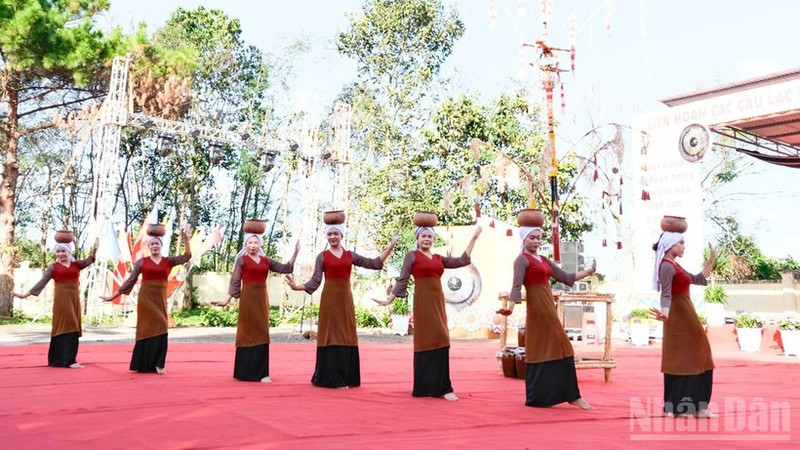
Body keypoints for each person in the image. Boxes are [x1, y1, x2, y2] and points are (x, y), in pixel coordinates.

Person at [377, 224, 482, 401]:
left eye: (430, 237)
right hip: (423, 302)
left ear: (433, 240)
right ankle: (424, 387)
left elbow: (462, 261)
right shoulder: (412, 256)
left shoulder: (439, 258)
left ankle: (443, 387)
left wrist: (474, 238)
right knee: (425, 340)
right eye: (423, 236)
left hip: (438, 302)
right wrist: (389, 299)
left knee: (441, 337)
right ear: (418, 239)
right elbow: (402, 279)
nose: (426, 239)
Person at [285, 223, 396, 388]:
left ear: (342, 235)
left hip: (345, 300)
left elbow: (373, 263)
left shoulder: (350, 255)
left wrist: (389, 248)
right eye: (329, 234)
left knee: (346, 333)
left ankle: (347, 377)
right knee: (331, 333)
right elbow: (315, 281)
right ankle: (332, 378)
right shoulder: (322, 256)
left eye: (335, 234)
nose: (332, 237)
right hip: (329, 300)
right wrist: (297, 286)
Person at [499, 226, 595, 410]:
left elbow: (565, 277)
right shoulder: (521, 260)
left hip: (548, 307)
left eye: (538, 238)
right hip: (537, 310)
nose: (536, 241)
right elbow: (516, 286)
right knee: (546, 348)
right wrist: (510, 308)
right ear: (524, 239)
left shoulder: (543, 259)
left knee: (561, 348)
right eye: (532, 238)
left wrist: (589, 272)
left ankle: (570, 395)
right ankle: (543, 396)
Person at [101, 225, 192, 374]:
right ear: (148, 246)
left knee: (162, 326)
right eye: (152, 244)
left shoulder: (168, 261)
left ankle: (159, 364)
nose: (154, 246)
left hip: (160, 299)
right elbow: (130, 281)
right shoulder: (142, 262)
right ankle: (142, 363)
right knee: (145, 329)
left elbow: (186, 257)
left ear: (161, 246)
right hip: (146, 299)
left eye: (157, 243)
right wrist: (113, 296)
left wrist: (187, 240)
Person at [213, 235, 299, 383]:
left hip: (261, 299)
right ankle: (244, 372)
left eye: (255, 242)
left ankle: (262, 373)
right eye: (250, 243)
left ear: (260, 244)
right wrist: (226, 300)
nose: (253, 245)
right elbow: (235, 281)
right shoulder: (242, 260)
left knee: (262, 330)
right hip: (247, 298)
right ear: (246, 245)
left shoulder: (266, 261)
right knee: (247, 330)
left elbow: (286, 268)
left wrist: (295, 253)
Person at [649, 232, 717, 418]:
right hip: (678, 315)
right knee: (679, 359)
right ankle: (674, 407)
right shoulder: (667, 266)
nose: (684, 246)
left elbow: (698, 278)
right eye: (681, 243)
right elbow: (666, 293)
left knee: (701, 356)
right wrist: (665, 312)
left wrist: (711, 258)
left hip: (686, 313)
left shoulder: (675, 265)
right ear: (671, 245)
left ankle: (698, 407)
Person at [14, 239, 98, 368]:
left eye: (63, 251)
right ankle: (68, 361)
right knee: (68, 324)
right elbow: (41, 283)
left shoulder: (76, 265)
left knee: (74, 326)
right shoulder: (53, 267)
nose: (60, 254)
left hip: (74, 300)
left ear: (69, 252)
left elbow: (90, 260)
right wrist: (24, 295)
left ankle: (63, 360)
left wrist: (95, 250)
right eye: (58, 251)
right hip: (62, 300)